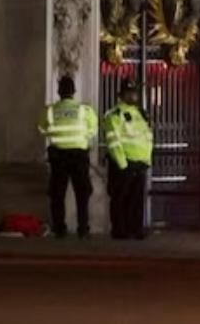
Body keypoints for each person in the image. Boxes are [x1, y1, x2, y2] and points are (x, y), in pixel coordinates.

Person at [37, 75, 98, 238]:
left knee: (57, 194)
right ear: (74, 91)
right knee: (82, 194)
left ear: (59, 92)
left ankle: (59, 228)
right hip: (79, 155)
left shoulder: (50, 111)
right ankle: (83, 228)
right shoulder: (84, 110)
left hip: (58, 156)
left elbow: (42, 129)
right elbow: (93, 130)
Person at [103, 79, 153, 240]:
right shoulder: (114, 114)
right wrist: (123, 164)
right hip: (124, 164)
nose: (133, 95)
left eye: (134, 92)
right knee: (120, 199)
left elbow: (147, 137)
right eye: (129, 92)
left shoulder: (141, 114)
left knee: (137, 200)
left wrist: (147, 160)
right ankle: (120, 231)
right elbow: (113, 141)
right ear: (121, 95)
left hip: (140, 163)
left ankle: (136, 229)